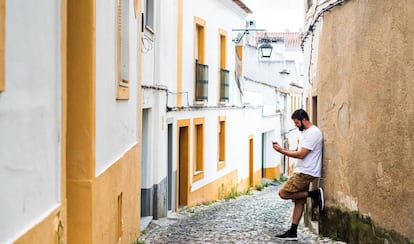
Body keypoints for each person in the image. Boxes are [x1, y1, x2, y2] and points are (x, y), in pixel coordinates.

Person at [272, 109, 324, 241]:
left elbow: (301, 154)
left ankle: (314, 194)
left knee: (283, 193)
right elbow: (299, 151)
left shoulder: (313, 133)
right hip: (304, 169)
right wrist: (283, 148)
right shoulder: (306, 133)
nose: (296, 125)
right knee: (299, 201)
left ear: (303, 120)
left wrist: (282, 151)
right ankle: (293, 231)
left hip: (305, 171)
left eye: (297, 123)